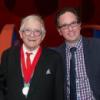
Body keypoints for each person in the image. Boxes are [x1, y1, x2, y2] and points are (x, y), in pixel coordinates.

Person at [0, 14, 64, 100]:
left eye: (37, 31)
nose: (32, 35)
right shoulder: (7, 56)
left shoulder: (54, 58)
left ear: (43, 36)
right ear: (21, 33)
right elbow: (1, 88)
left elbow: (59, 93)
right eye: (27, 30)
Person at [54, 7, 100, 100]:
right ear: (59, 31)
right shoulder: (55, 55)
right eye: (65, 26)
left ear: (80, 25)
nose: (70, 29)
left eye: (73, 23)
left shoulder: (97, 46)